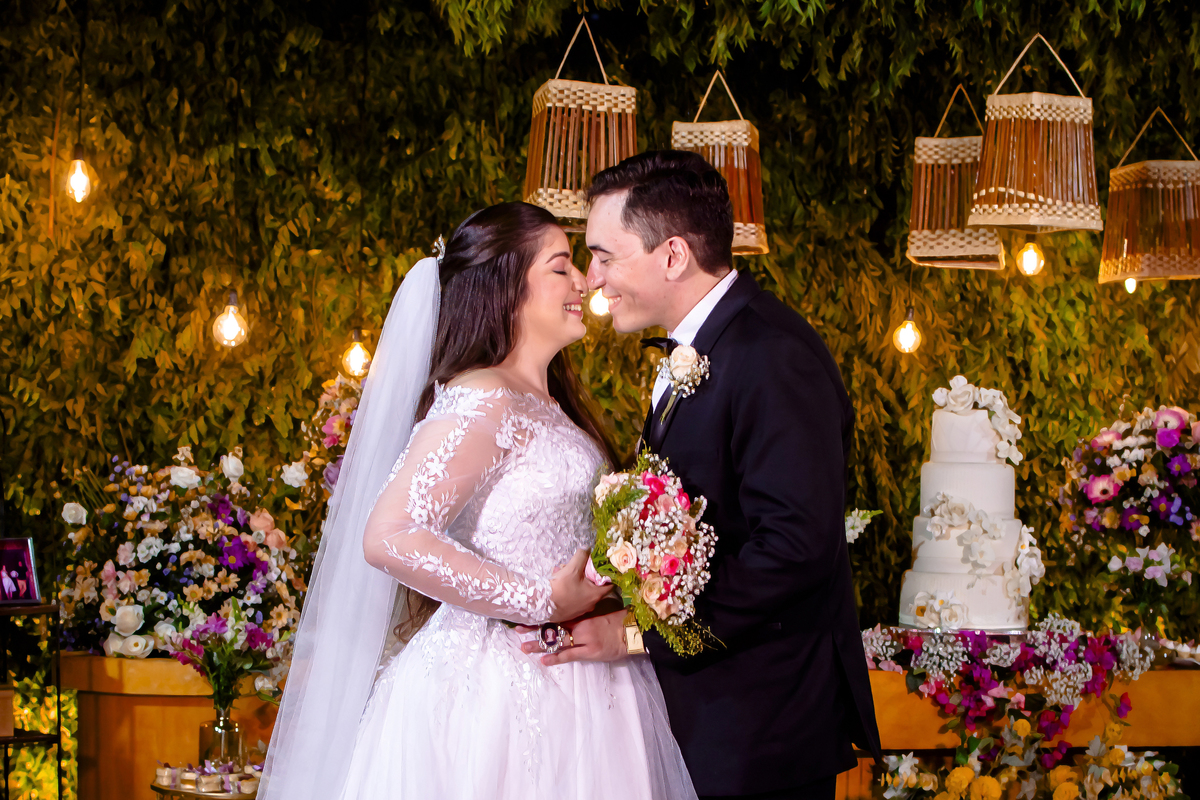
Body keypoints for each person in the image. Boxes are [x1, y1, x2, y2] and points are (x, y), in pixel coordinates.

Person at [260, 202, 697, 800]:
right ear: (506, 288)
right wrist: (539, 598)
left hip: (579, 679)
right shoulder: (484, 398)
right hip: (498, 684)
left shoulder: (547, 403)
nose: (584, 282)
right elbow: (389, 534)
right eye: (561, 267)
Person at [526, 151, 883, 800]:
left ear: (672, 256)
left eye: (606, 255)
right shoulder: (706, 347)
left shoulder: (772, 354)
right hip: (715, 721)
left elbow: (794, 551)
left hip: (761, 730)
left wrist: (637, 635)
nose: (594, 279)